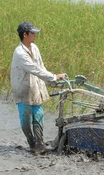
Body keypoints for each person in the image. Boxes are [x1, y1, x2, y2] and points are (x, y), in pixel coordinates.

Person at [10, 21, 66, 155]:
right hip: (23, 89)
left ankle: (40, 144)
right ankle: (31, 143)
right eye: (33, 33)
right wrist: (54, 76)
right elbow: (34, 69)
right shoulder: (20, 53)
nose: (35, 35)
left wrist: (51, 81)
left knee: (39, 115)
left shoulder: (34, 48)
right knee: (25, 119)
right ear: (25, 35)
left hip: (35, 87)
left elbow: (41, 67)